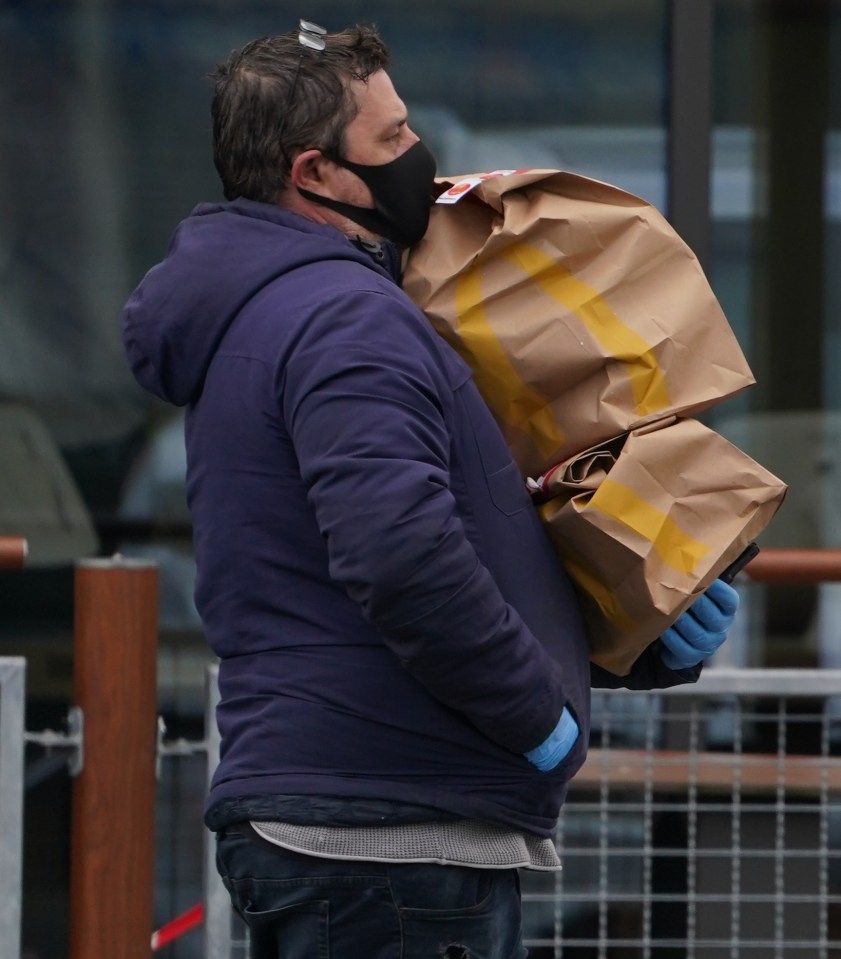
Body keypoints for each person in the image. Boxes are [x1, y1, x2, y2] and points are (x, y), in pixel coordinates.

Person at [122, 21, 739, 959]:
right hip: (390, 836)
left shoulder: (282, 309)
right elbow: (400, 554)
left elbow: (439, 535)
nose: (422, 157)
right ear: (315, 172)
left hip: (362, 821)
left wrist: (637, 639)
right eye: (393, 138)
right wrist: (540, 723)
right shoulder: (344, 321)